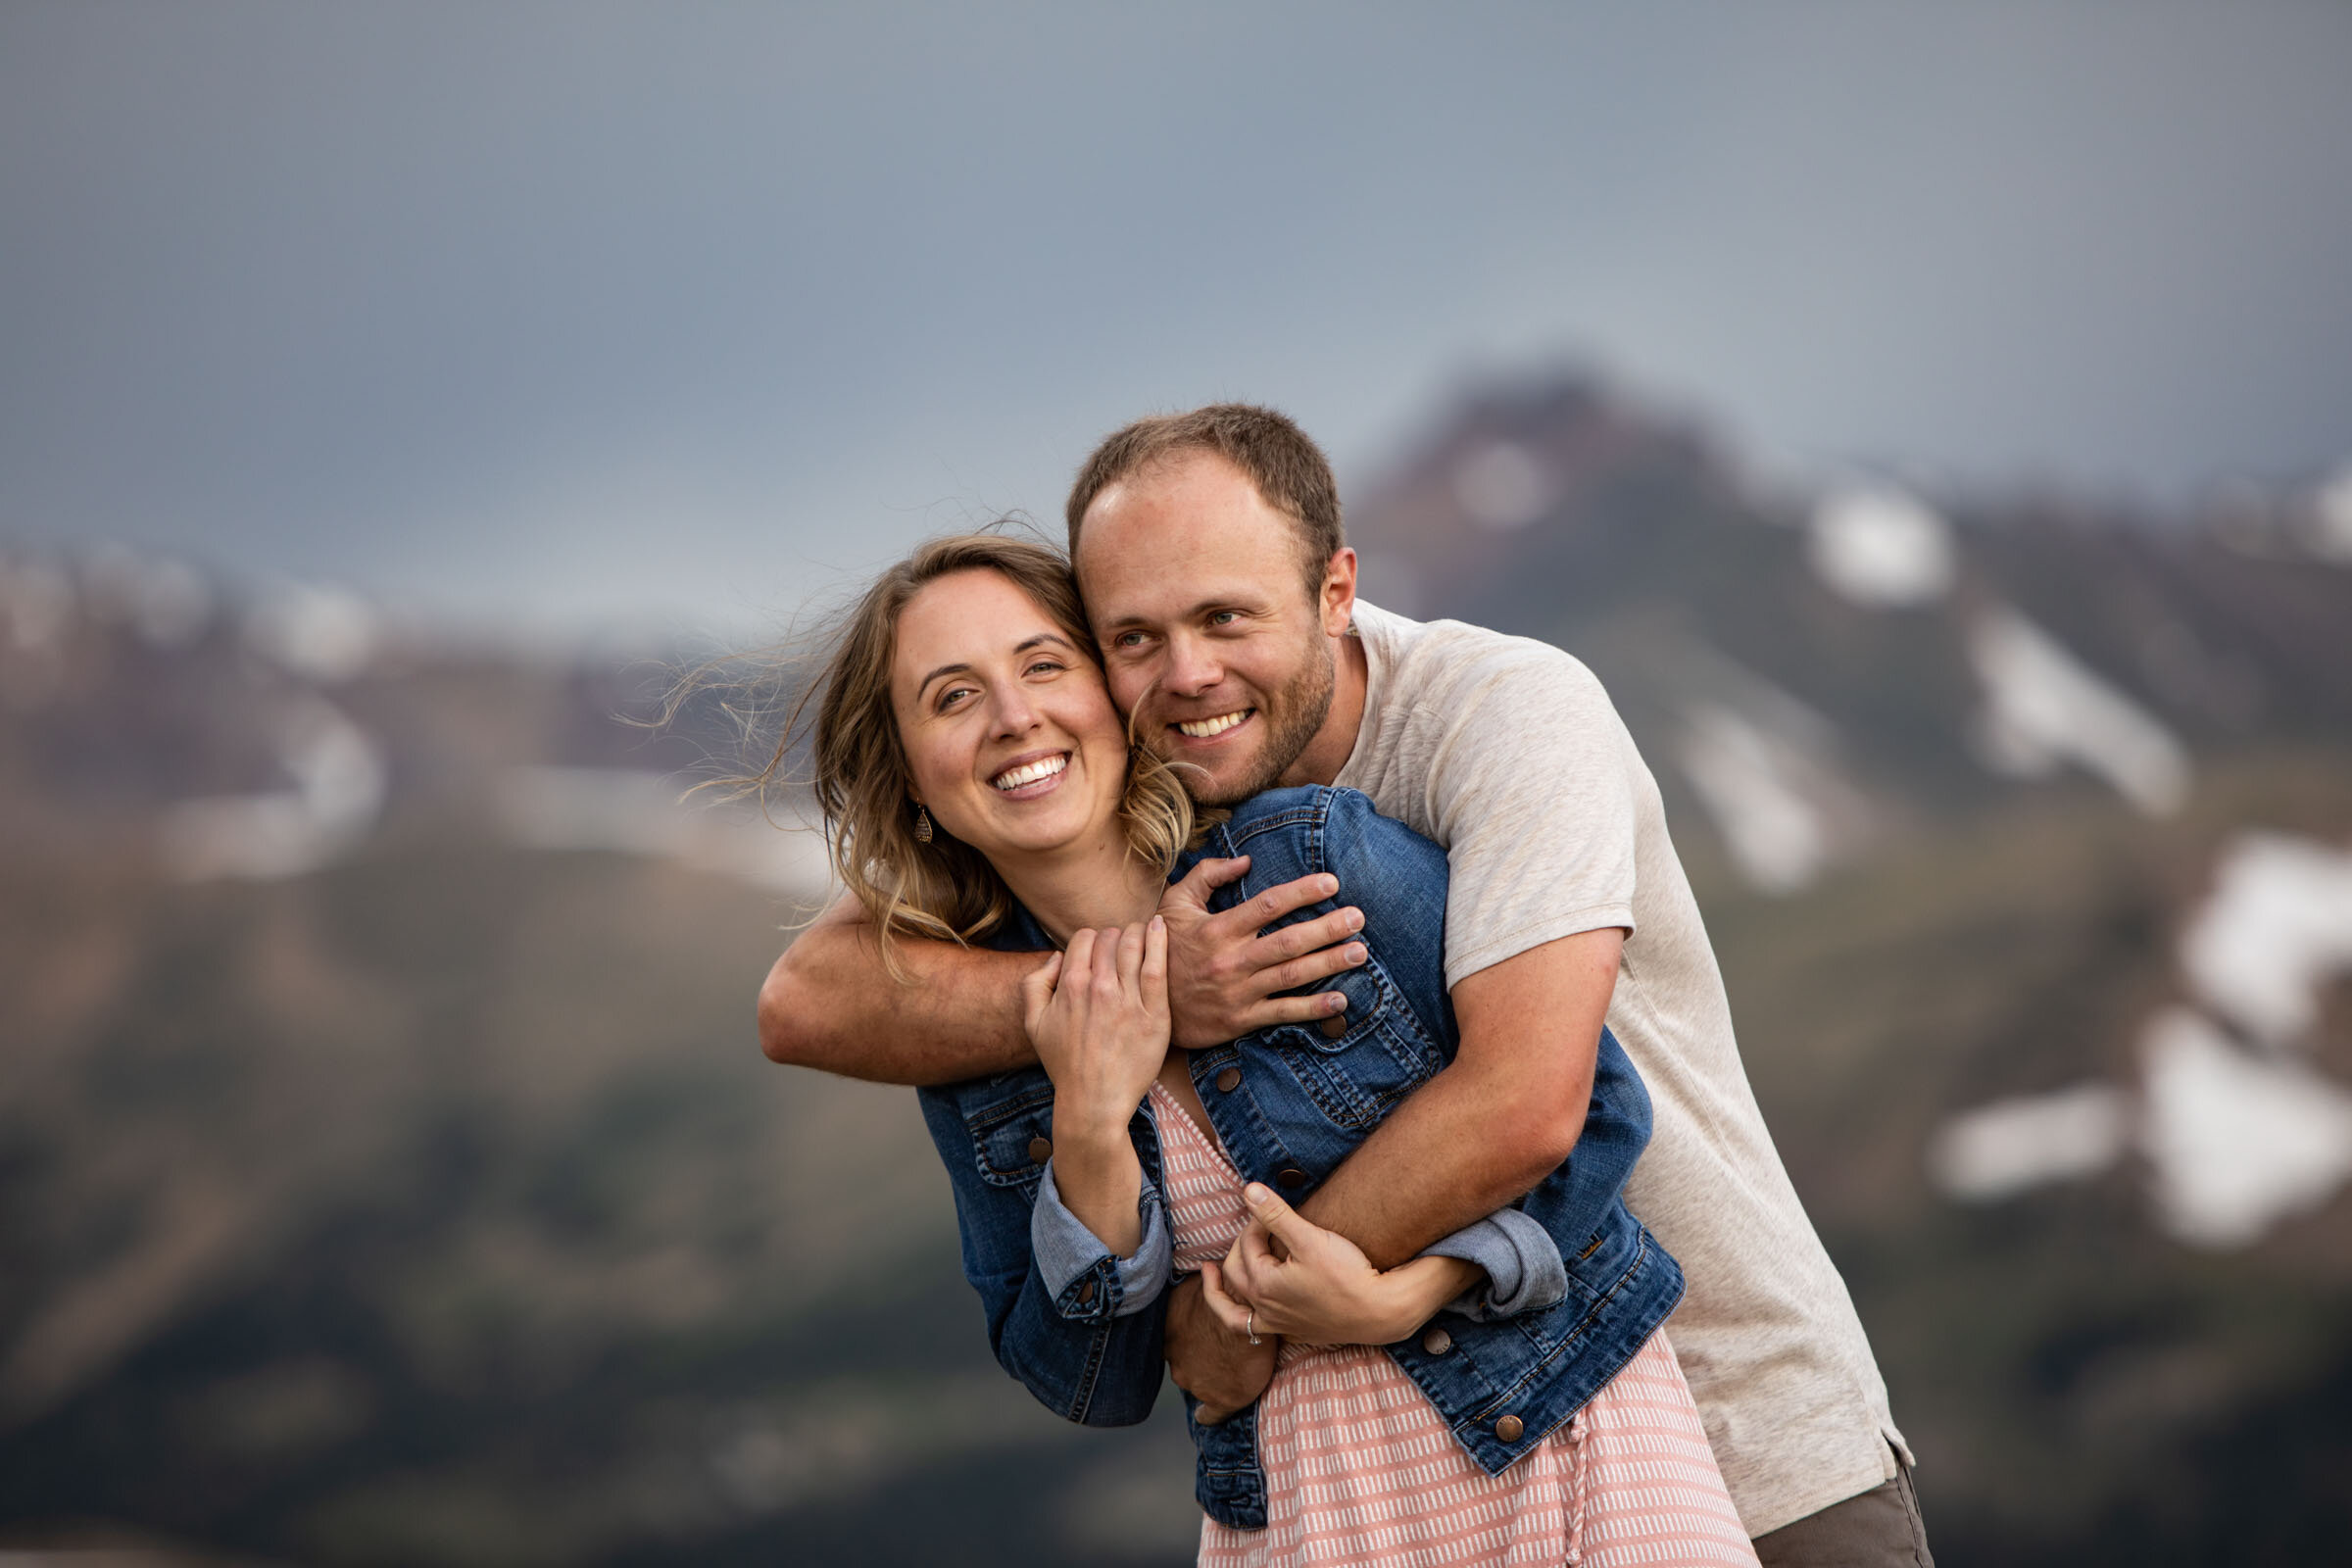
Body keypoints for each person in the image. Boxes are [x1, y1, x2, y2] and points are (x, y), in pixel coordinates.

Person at [764, 407, 1931, 1566]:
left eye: (1226, 615)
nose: (1188, 672)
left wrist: (1242, 1315)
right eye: (1137, 637)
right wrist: (1120, 1022)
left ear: (1334, 592)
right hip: (1344, 1517)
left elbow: (1536, 1105)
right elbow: (803, 998)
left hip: (1732, 1429)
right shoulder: (1137, 799)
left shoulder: (1479, 731)